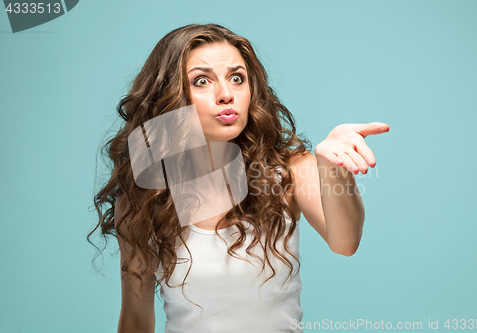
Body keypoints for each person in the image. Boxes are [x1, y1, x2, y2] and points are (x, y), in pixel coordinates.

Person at [89, 23, 390, 333]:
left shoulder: (291, 169)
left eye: (237, 78)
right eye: (202, 81)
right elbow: (136, 318)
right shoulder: (145, 197)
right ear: (170, 95)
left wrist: (333, 167)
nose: (226, 94)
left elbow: (345, 241)